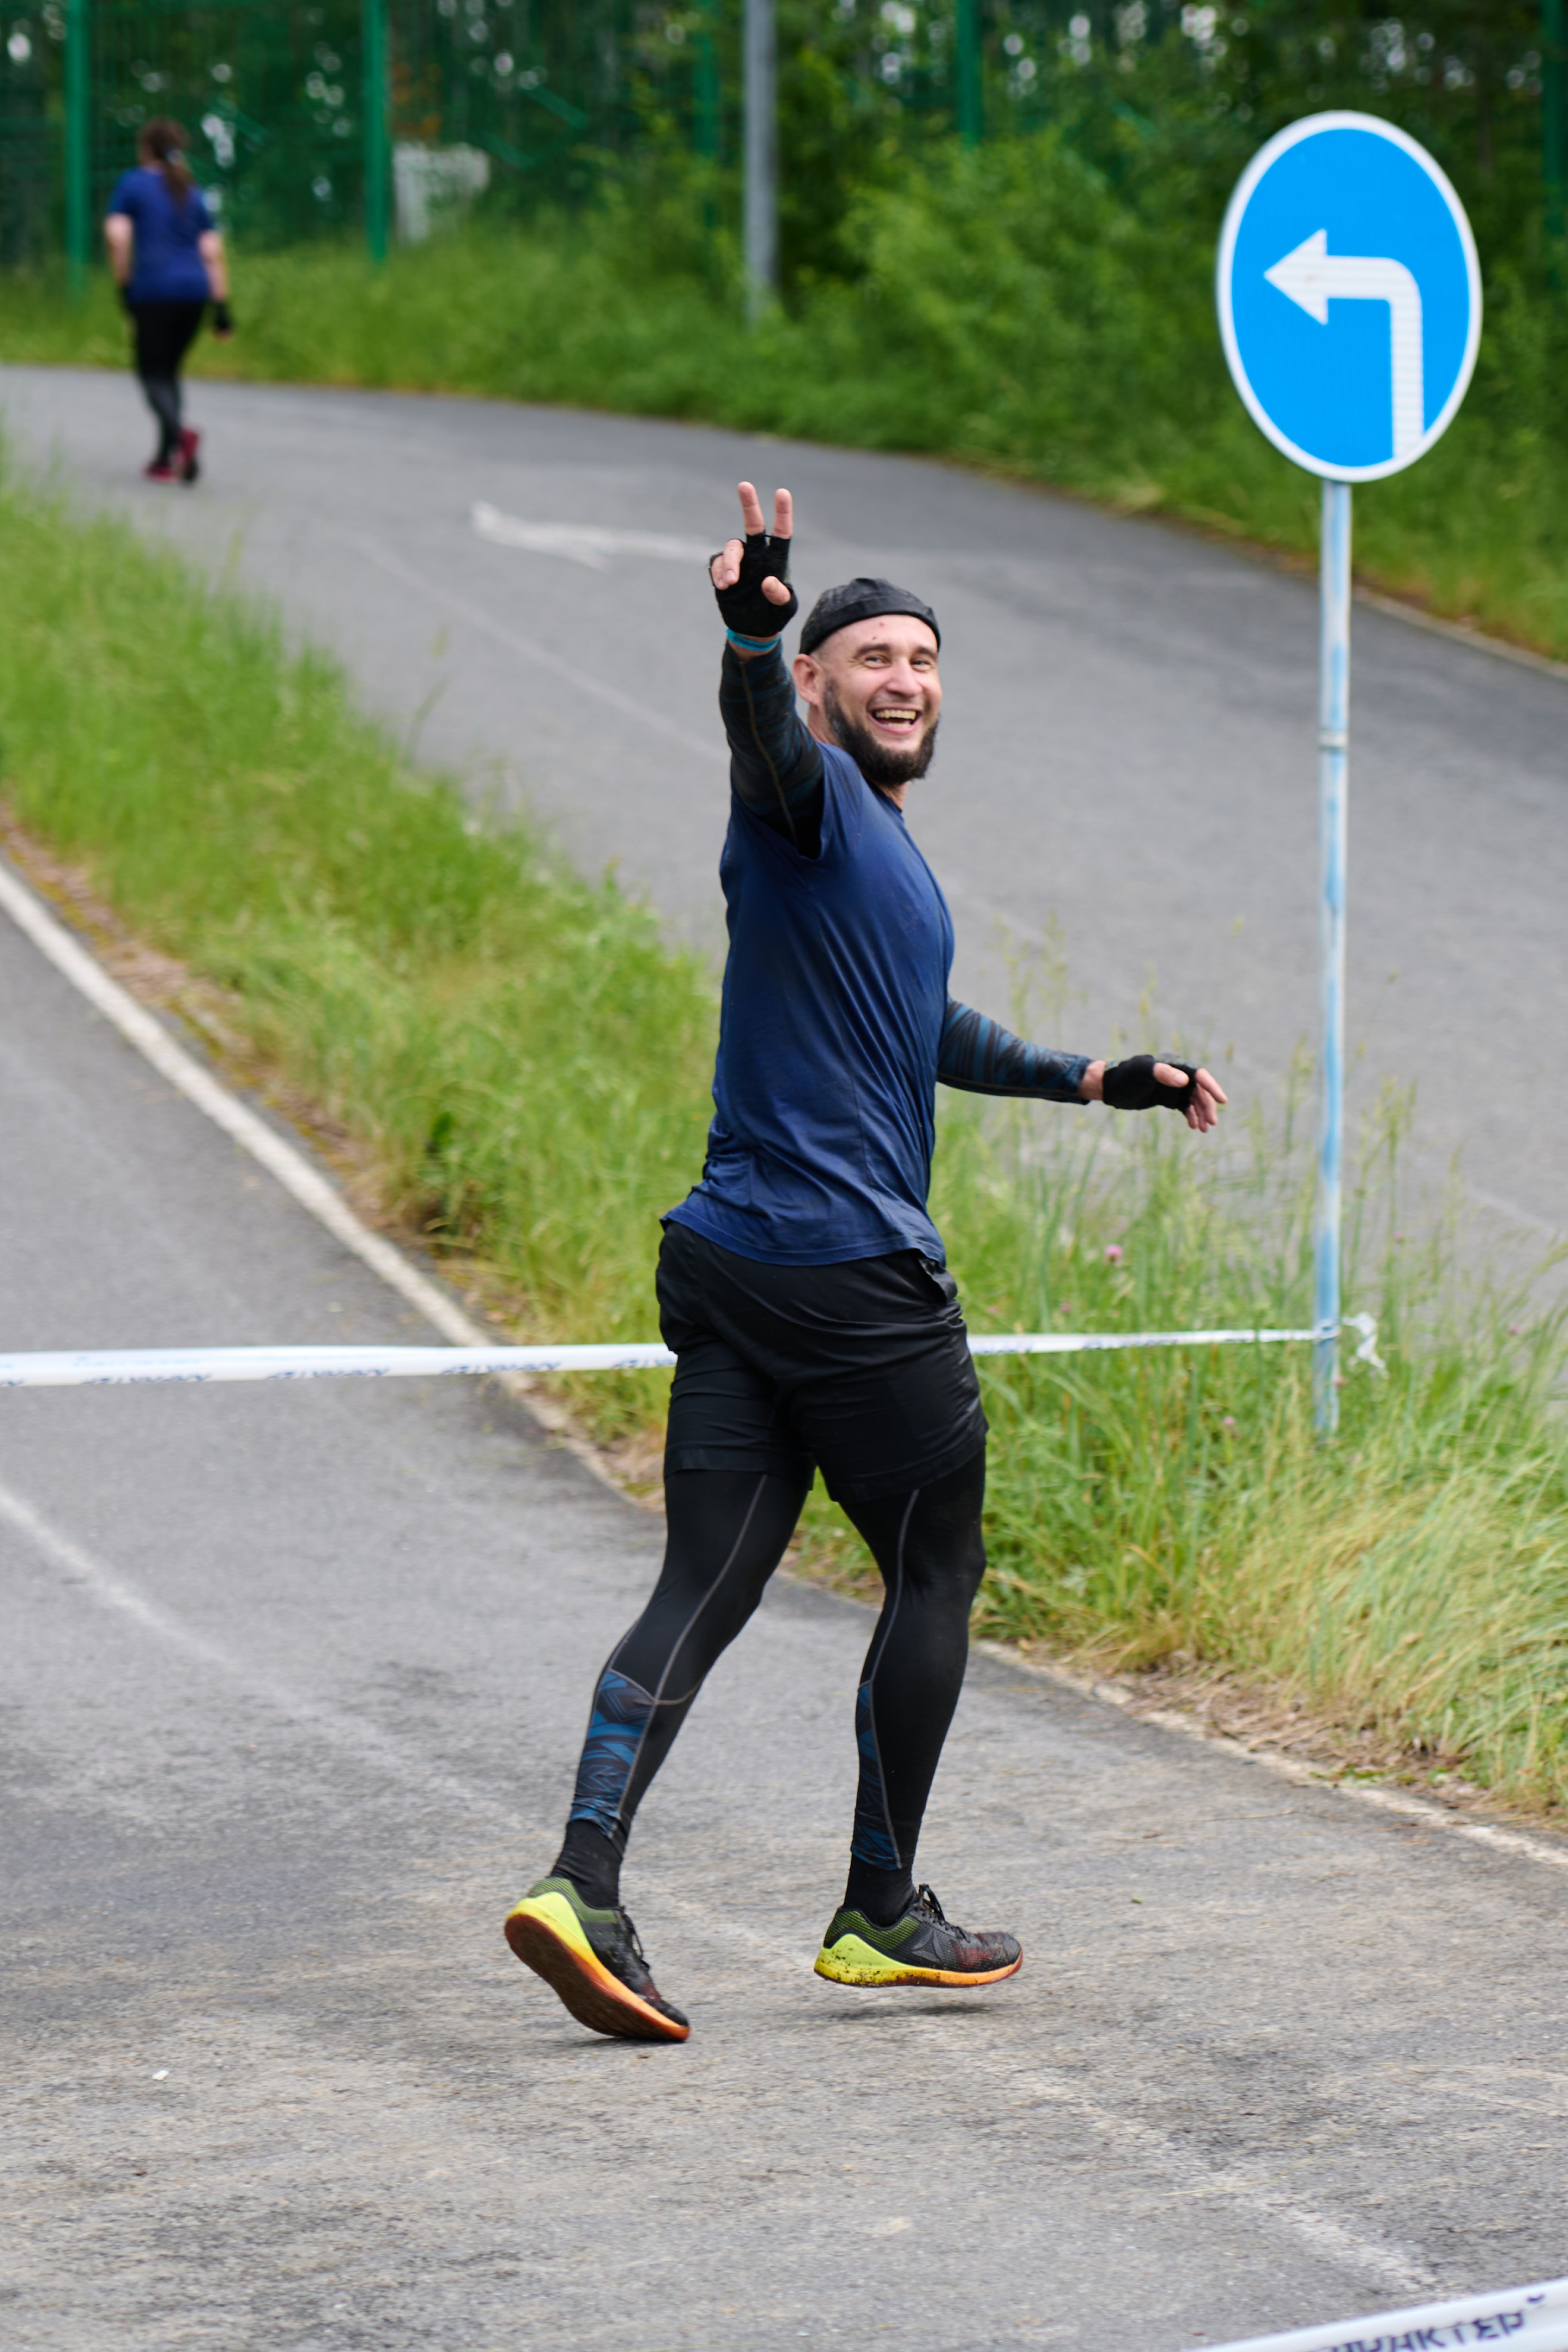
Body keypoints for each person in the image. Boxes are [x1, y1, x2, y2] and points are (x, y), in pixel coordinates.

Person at [505, 483, 1227, 2044]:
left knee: (705, 1581)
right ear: (826, 685)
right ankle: (879, 1909)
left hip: (729, 1261)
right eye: (871, 656)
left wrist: (1097, 1077)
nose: (904, 676)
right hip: (846, 1270)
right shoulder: (806, 798)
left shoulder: (875, 857)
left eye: (923, 656)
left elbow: (924, 1028)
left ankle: (581, 1887)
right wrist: (750, 637)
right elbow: (756, 737)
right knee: (936, 1567)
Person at [104, 119, 233, 485]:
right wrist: (222, 310)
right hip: (195, 293)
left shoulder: (133, 184)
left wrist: (124, 285)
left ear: (145, 149)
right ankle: (164, 459)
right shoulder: (192, 191)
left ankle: (181, 436)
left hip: (153, 291)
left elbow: (117, 236)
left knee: (152, 374)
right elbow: (211, 251)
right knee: (169, 371)